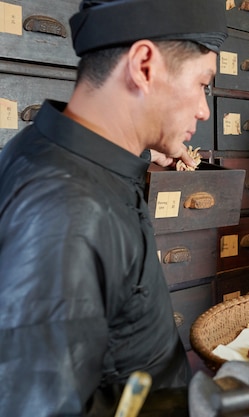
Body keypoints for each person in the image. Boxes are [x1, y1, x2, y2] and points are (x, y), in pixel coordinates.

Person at [0, 0, 227, 415]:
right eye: (202, 84)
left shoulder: (73, 158)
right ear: (144, 65)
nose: (203, 109)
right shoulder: (66, 209)